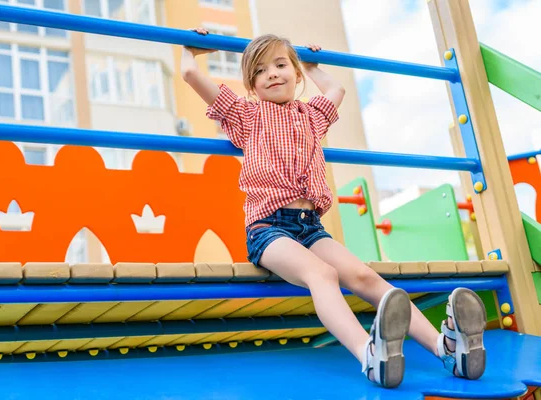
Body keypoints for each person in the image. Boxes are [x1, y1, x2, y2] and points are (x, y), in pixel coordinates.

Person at [181, 28, 487, 388]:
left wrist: (312, 65)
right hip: (267, 229)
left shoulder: (312, 115)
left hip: (310, 226)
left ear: (295, 75)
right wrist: (191, 50)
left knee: (366, 278)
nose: (273, 74)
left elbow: (335, 91)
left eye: (281, 65)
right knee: (322, 275)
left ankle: (445, 348)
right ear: (251, 85)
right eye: (261, 71)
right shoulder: (247, 115)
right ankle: (369, 355)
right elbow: (190, 74)